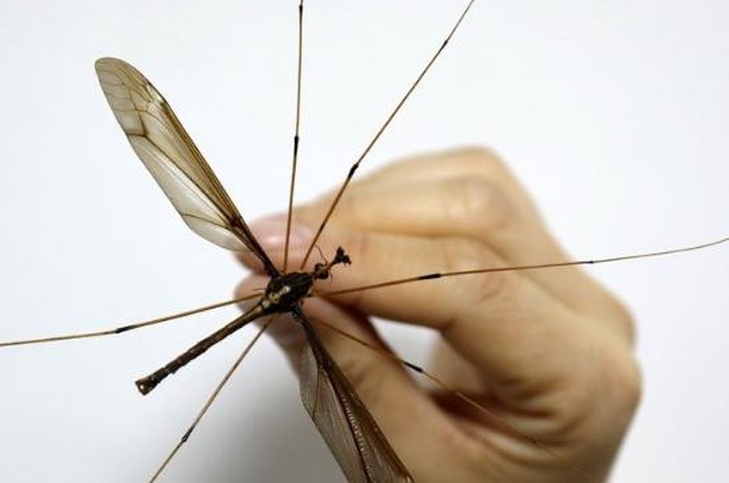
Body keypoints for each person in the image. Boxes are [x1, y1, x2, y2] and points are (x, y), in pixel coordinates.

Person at [236, 148, 639, 482]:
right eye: (325, 269)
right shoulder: (303, 284)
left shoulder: (310, 285)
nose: (326, 269)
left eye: (325, 270)